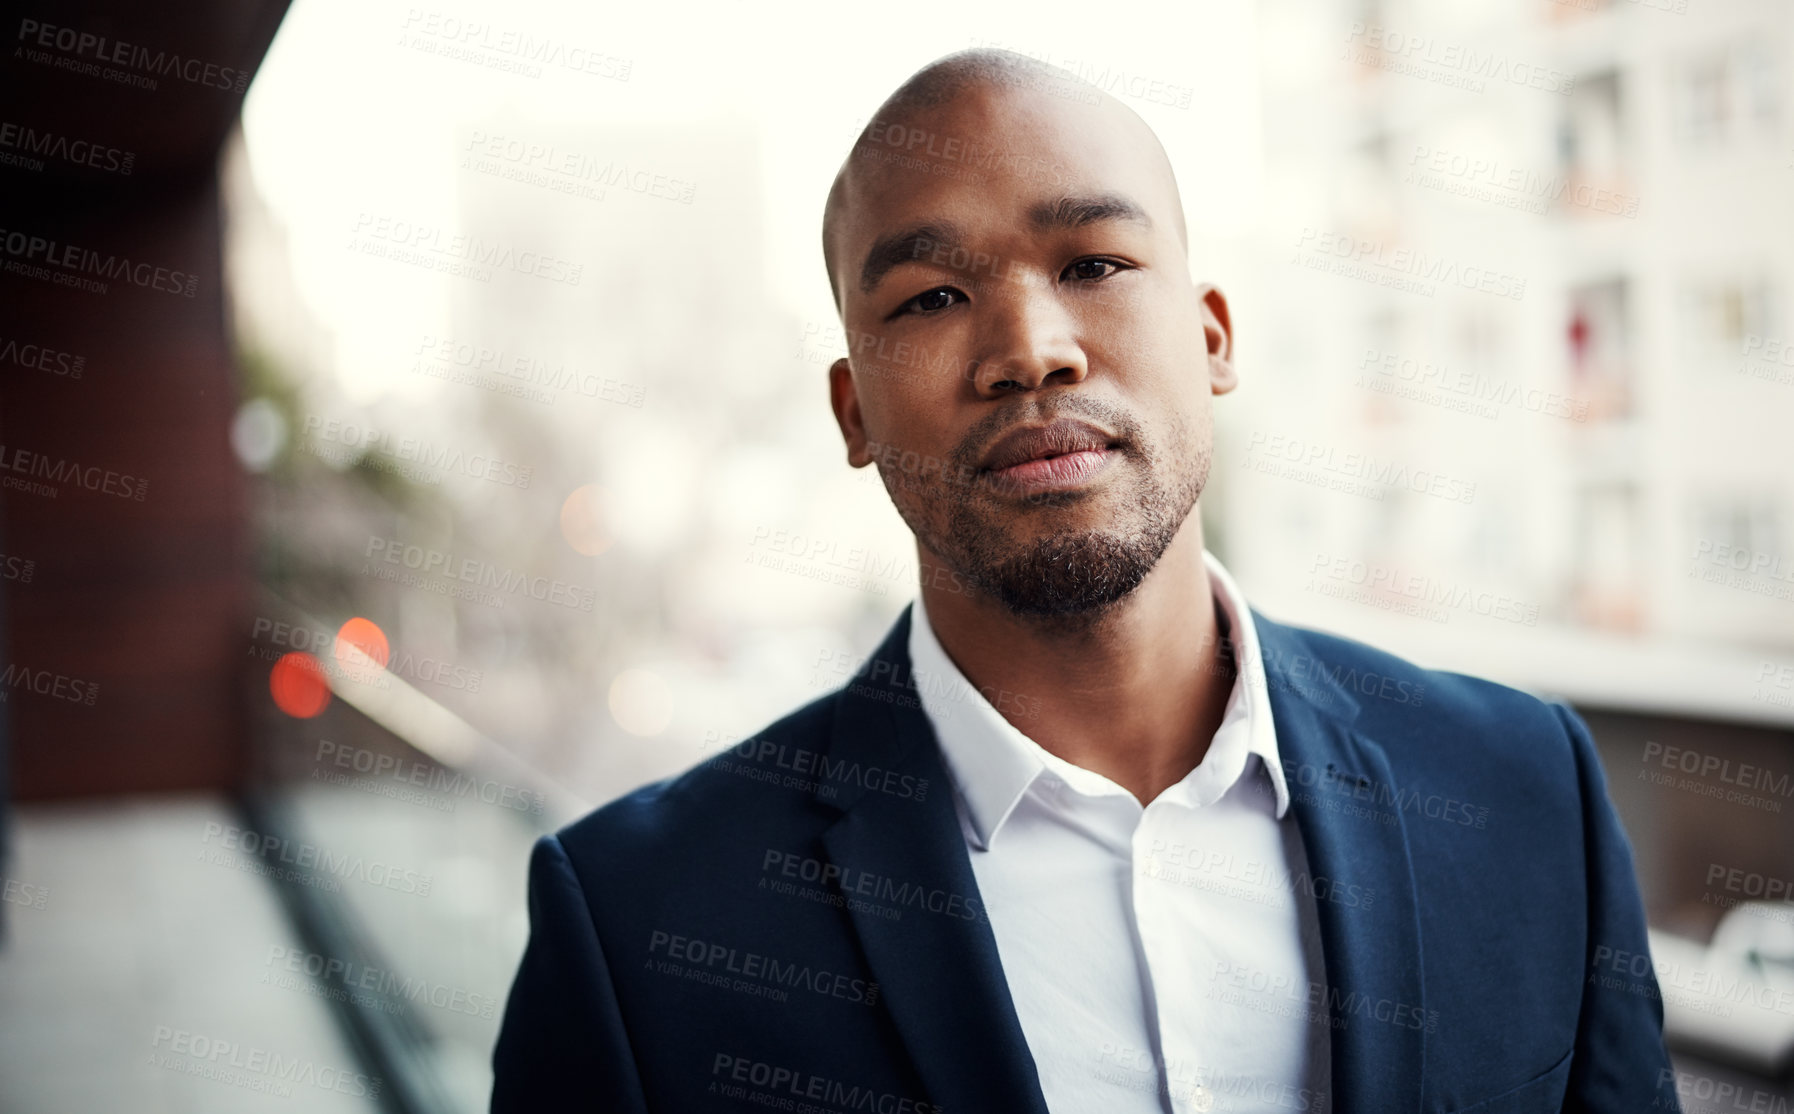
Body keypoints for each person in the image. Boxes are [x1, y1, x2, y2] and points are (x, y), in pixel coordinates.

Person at [492, 48, 1678, 1113]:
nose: (1030, 348)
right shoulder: (642, 925)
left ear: (1213, 336)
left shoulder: (1528, 793)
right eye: (932, 297)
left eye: (1096, 261)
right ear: (853, 411)